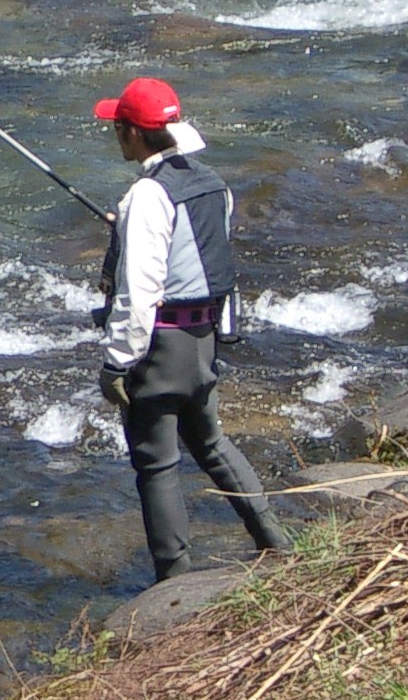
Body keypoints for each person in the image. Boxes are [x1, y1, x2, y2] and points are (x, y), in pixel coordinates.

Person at [92, 77, 290, 581]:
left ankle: (174, 584)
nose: (115, 133)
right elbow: (202, 257)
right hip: (203, 341)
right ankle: (277, 543)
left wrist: (118, 363)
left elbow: (140, 292)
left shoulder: (147, 195)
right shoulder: (213, 184)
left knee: (156, 464)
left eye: (118, 126)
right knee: (212, 444)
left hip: (161, 348)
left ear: (136, 134)